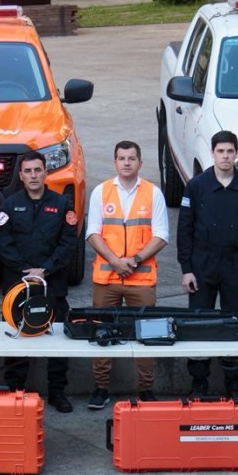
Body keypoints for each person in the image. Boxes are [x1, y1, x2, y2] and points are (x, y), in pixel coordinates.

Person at [177, 131, 238, 398]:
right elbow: (185, 230)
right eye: (220, 151)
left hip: (236, 266)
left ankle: (234, 383)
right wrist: (186, 269)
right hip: (202, 264)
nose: (226, 156)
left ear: (236, 154)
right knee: (198, 324)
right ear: (212, 153)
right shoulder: (196, 186)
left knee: (233, 324)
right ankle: (199, 382)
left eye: (230, 151)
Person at [86, 140, 169, 409]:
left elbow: (162, 235)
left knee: (147, 336)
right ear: (114, 162)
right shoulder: (100, 192)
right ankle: (100, 388)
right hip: (106, 279)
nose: (126, 163)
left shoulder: (153, 193)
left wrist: (133, 260)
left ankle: (145, 389)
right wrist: (114, 260)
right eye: (121, 158)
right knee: (102, 335)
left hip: (141, 279)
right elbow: (92, 233)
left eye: (131, 158)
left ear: (140, 163)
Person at [0, 151, 80, 412]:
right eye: (28, 171)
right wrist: (25, 270)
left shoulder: (63, 204)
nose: (33, 175)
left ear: (46, 173)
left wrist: (45, 269)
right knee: (16, 339)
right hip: (18, 286)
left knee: (57, 342)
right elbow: (3, 242)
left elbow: (68, 244)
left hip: (51, 284)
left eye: (37, 170)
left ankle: (57, 392)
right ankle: (16, 390)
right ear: (21, 176)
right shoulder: (9, 206)